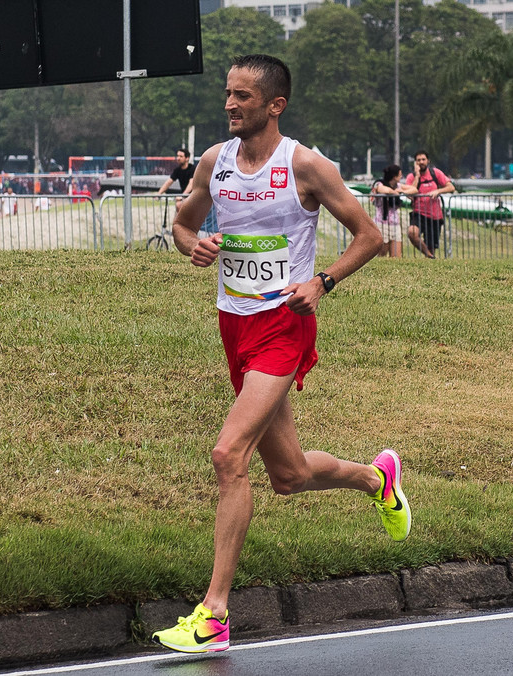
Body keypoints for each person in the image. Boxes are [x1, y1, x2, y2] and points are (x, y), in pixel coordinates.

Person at [150, 54, 409, 654]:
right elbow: (183, 224)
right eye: (227, 94)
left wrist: (322, 282)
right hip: (234, 326)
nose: (229, 105)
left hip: (284, 327)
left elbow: (370, 236)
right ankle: (378, 479)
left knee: (227, 454)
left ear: (274, 106)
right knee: (288, 475)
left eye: (242, 96)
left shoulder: (306, 167)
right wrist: (195, 243)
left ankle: (214, 615)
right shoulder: (215, 163)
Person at [401, 150, 454, 259]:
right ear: (415, 163)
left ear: (428, 161)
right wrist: (417, 176)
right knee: (412, 233)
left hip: (435, 215)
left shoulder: (436, 173)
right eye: (418, 160)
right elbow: (411, 193)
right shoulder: (411, 177)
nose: (421, 162)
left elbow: (451, 187)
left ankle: (430, 257)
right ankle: (428, 254)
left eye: (423, 159)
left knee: (432, 246)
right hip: (418, 213)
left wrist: (438, 191)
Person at [371, 164, 404, 258]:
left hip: (395, 223)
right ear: (394, 176)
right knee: (382, 252)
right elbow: (381, 189)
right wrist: (394, 192)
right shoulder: (379, 183)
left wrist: (401, 190)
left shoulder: (398, 186)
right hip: (382, 222)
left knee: (396, 256)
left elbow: (413, 189)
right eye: (400, 175)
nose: (401, 177)